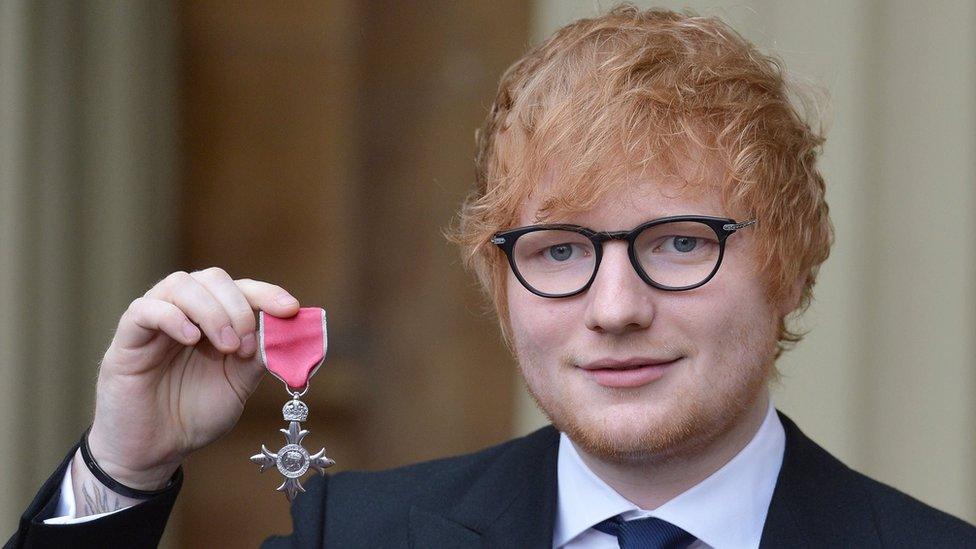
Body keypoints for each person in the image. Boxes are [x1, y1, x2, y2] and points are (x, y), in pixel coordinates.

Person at [7, 5, 976, 548]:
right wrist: (122, 470)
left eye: (681, 242)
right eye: (558, 250)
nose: (615, 308)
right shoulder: (358, 541)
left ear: (791, 260)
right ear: (498, 288)